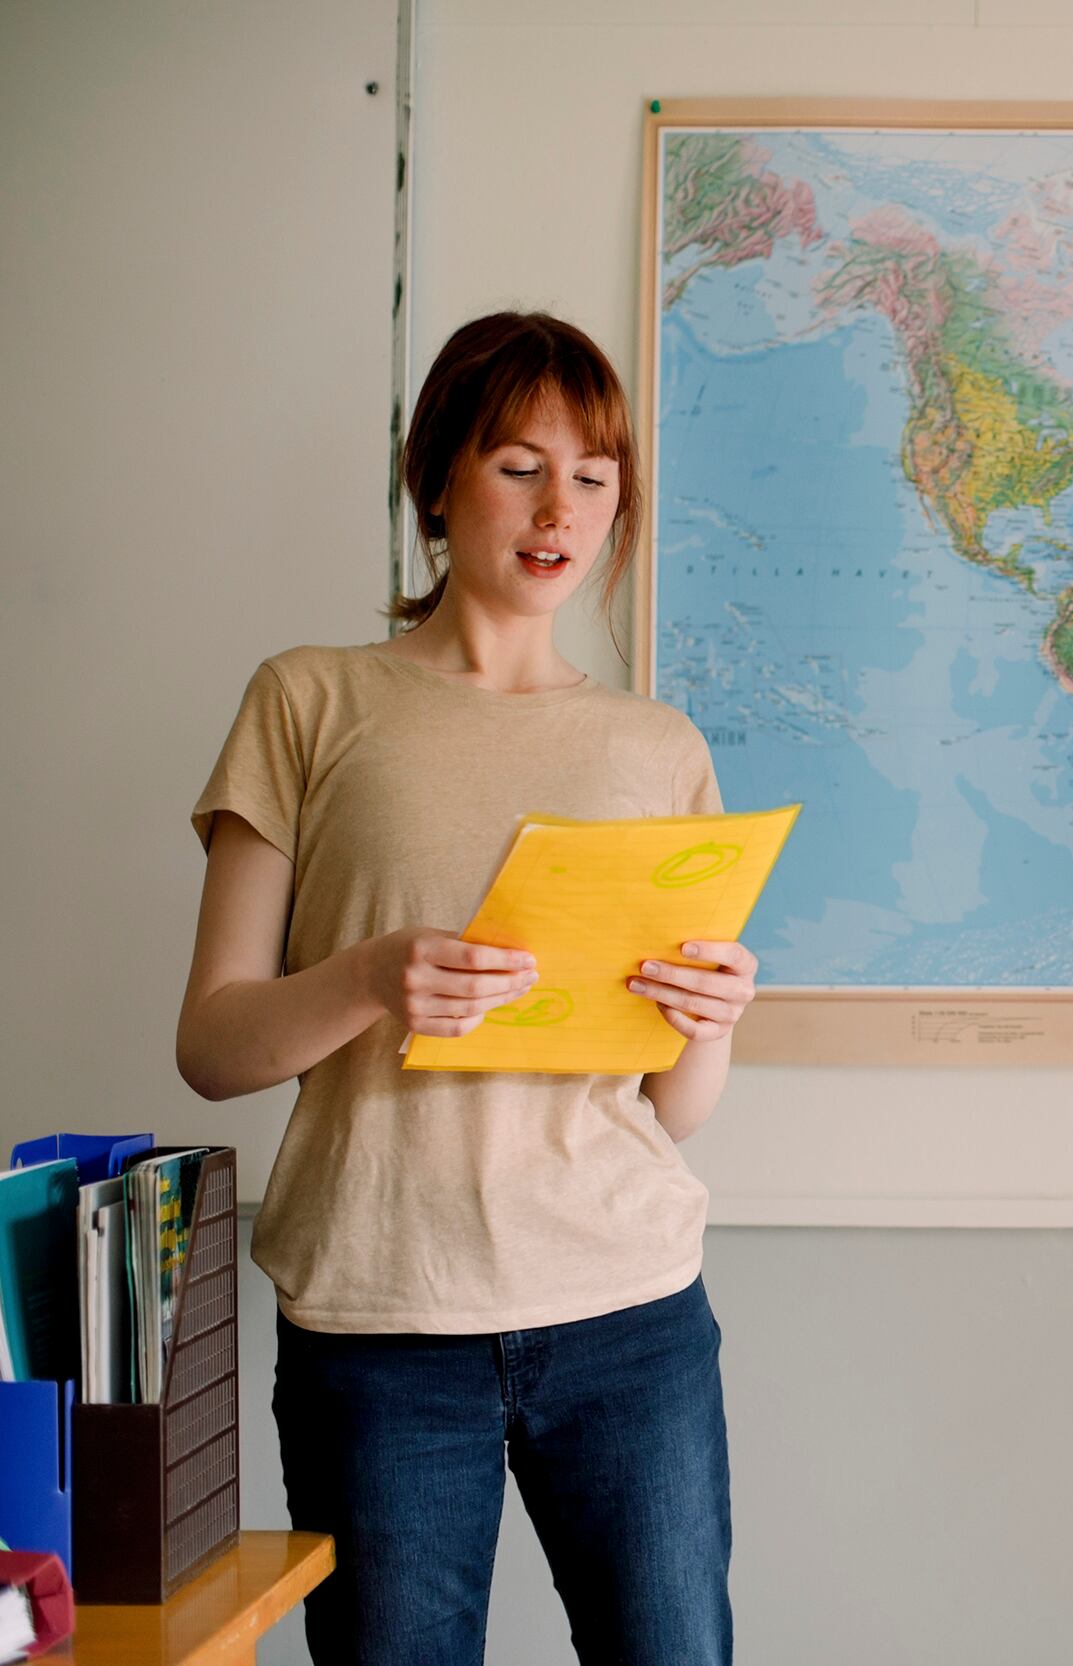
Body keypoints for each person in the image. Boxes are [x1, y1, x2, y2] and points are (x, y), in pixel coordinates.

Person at [176, 312, 755, 1666]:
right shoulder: (309, 700)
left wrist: (710, 1022)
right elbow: (212, 1041)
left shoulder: (656, 746)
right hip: (377, 1325)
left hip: (629, 1314)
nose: (562, 509)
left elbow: (671, 1105)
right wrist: (373, 976)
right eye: (519, 464)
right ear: (438, 477)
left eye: (595, 476)